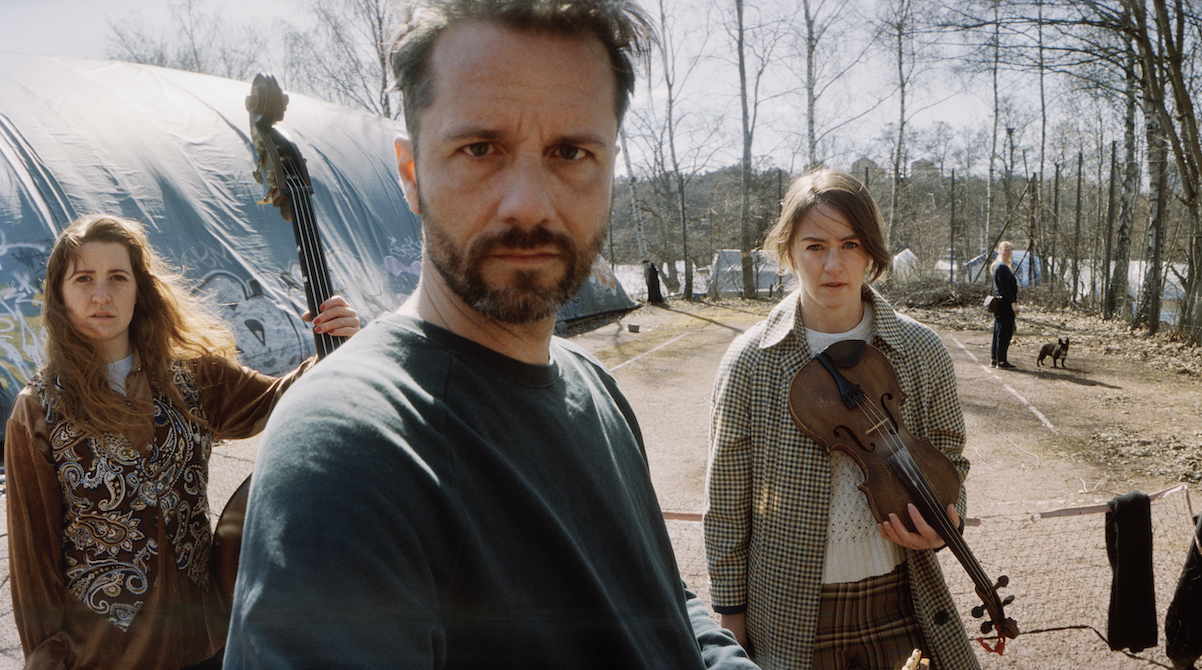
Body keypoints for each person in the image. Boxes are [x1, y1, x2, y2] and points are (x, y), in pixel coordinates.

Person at [222, 2, 755, 668]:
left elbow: (659, 604)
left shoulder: (597, 390)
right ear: (411, 175)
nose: (528, 203)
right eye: (480, 148)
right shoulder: (349, 450)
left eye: (571, 152)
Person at [5, 214, 359, 670]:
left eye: (118, 277)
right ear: (60, 294)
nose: (101, 295)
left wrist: (341, 346)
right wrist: (47, 656)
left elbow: (280, 400)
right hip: (103, 654)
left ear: (140, 289)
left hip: (204, 641)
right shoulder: (37, 410)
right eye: (84, 279)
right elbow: (33, 557)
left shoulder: (193, 377)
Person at [704, 168, 980, 670]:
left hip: (904, 597)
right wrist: (731, 615)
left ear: (872, 253)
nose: (833, 264)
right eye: (814, 246)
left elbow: (950, 455)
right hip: (788, 615)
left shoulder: (921, 351)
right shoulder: (749, 362)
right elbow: (726, 500)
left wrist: (947, 520)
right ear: (788, 252)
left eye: (850, 244)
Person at [990, 241, 1018, 369]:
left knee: (998, 331)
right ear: (999, 251)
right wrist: (1013, 304)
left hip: (1001, 303)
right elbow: (1006, 288)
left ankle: (995, 359)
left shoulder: (1000, 266)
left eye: (1009, 250)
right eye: (1004, 250)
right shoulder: (1001, 267)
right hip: (1004, 304)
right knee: (1004, 332)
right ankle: (1001, 361)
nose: (1007, 252)